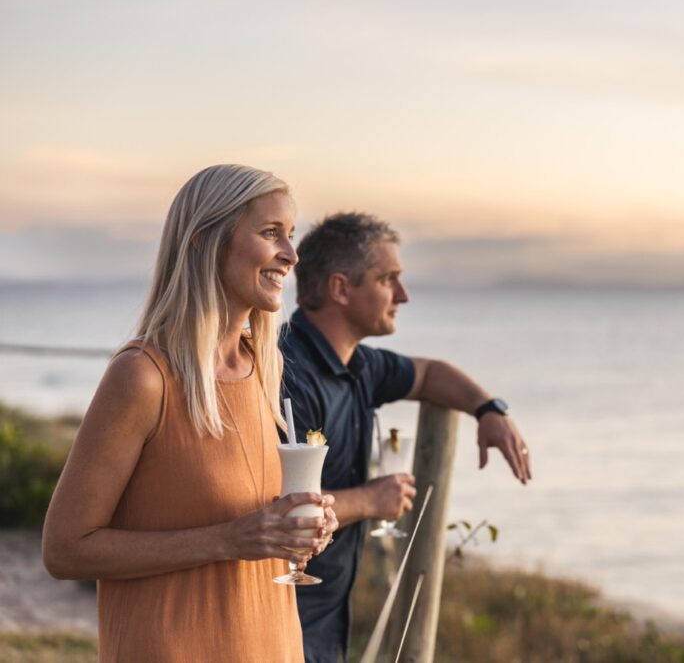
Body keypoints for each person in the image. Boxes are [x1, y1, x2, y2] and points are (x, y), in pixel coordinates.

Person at [42, 164, 340, 662]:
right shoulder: (143, 376)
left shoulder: (263, 369)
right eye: (271, 233)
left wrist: (304, 528)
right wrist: (230, 539)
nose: (291, 255)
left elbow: (252, 522)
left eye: (291, 235)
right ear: (204, 240)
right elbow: (65, 550)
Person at [279, 212, 532, 663]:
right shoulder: (288, 374)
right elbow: (281, 508)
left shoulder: (360, 366)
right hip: (278, 624)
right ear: (341, 288)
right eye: (388, 279)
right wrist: (371, 501)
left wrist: (489, 410)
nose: (403, 295)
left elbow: (430, 374)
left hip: (324, 628)